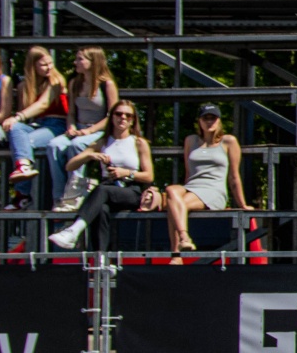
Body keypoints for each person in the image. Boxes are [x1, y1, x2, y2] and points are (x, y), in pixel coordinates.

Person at [49, 102, 156, 252]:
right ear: (112, 117)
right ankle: (102, 258)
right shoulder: (103, 142)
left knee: (101, 190)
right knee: (101, 209)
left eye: (128, 115)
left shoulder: (138, 143)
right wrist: (89, 156)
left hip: (130, 190)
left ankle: (74, 230)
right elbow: (70, 166)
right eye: (118, 114)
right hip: (108, 188)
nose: (123, 118)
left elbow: (149, 176)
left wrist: (126, 173)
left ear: (133, 120)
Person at [164, 104, 251, 260]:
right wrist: (182, 194)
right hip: (191, 186)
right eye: (205, 118)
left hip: (214, 190)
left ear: (219, 121)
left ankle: (176, 255)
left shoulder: (228, 141)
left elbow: (234, 176)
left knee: (175, 206)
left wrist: (242, 204)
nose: (209, 122)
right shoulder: (191, 140)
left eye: (213, 118)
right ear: (199, 121)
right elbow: (188, 172)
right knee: (171, 191)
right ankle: (184, 239)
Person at [48, 48, 120, 208]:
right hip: (78, 129)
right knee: (54, 145)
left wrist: (89, 131)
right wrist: (71, 127)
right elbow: (71, 113)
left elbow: (112, 116)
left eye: (80, 59)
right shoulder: (75, 83)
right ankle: (58, 196)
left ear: (93, 62)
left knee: (77, 145)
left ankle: (74, 194)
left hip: (99, 131)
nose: (75, 63)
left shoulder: (107, 84)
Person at [2, 46, 68, 207]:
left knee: (24, 142)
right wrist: (16, 121)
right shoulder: (24, 86)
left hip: (57, 124)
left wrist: (17, 117)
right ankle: (23, 172)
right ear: (33, 67)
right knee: (16, 129)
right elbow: (24, 115)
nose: (49, 67)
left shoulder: (56, 81)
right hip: (37, 125)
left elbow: (42, 104)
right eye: (44, 65)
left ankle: (21, 194)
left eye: (50, 63)